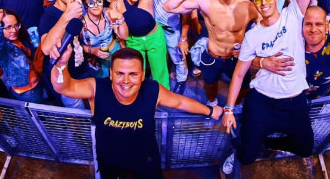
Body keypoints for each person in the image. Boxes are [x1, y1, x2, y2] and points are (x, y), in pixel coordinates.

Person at [221, 0, 318, 171]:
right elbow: (239, 74)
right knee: (247, 156)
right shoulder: (252, 35)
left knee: (306, 147)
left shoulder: (293, 14)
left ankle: (269, 143)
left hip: (294, 102)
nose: (263, 3)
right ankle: (245, 144)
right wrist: (228, 109)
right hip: (262, 101)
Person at [51, 46, 223, 179]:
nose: (125, 81)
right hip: (109, 159)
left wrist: (209, 110)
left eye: (133, 74)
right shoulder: (96, 88)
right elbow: (64, 87)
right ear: (111, 74)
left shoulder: (152, 90)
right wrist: (60, 64)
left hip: (145, 159)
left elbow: (180, 102)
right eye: (120, 73)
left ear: (142, 75)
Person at [164, 0, 260, 106]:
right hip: (213, 56)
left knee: (245, 86)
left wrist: (249, 48)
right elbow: (168, 7)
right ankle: (212, 103)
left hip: (236, 58)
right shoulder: (206, 1)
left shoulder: (248, 7)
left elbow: (265, 28)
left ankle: (234, 106)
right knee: (210, 85)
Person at [0, 6, 44, 102]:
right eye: (8, 27)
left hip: (37, 83)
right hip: (27, 91)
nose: (14, 30)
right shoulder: (2, 49)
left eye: (16, 25)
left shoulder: (19, 39)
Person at [80, 0, 129, 78]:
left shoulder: (108, 14)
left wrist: (120, 18)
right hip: (96, 62)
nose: (96, 5)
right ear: (86, 5)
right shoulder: (81, 24)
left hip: (115, 53)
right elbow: (79, 47)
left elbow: (124, 36)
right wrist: (93, 51)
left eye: (99, 1)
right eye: (91, 3)